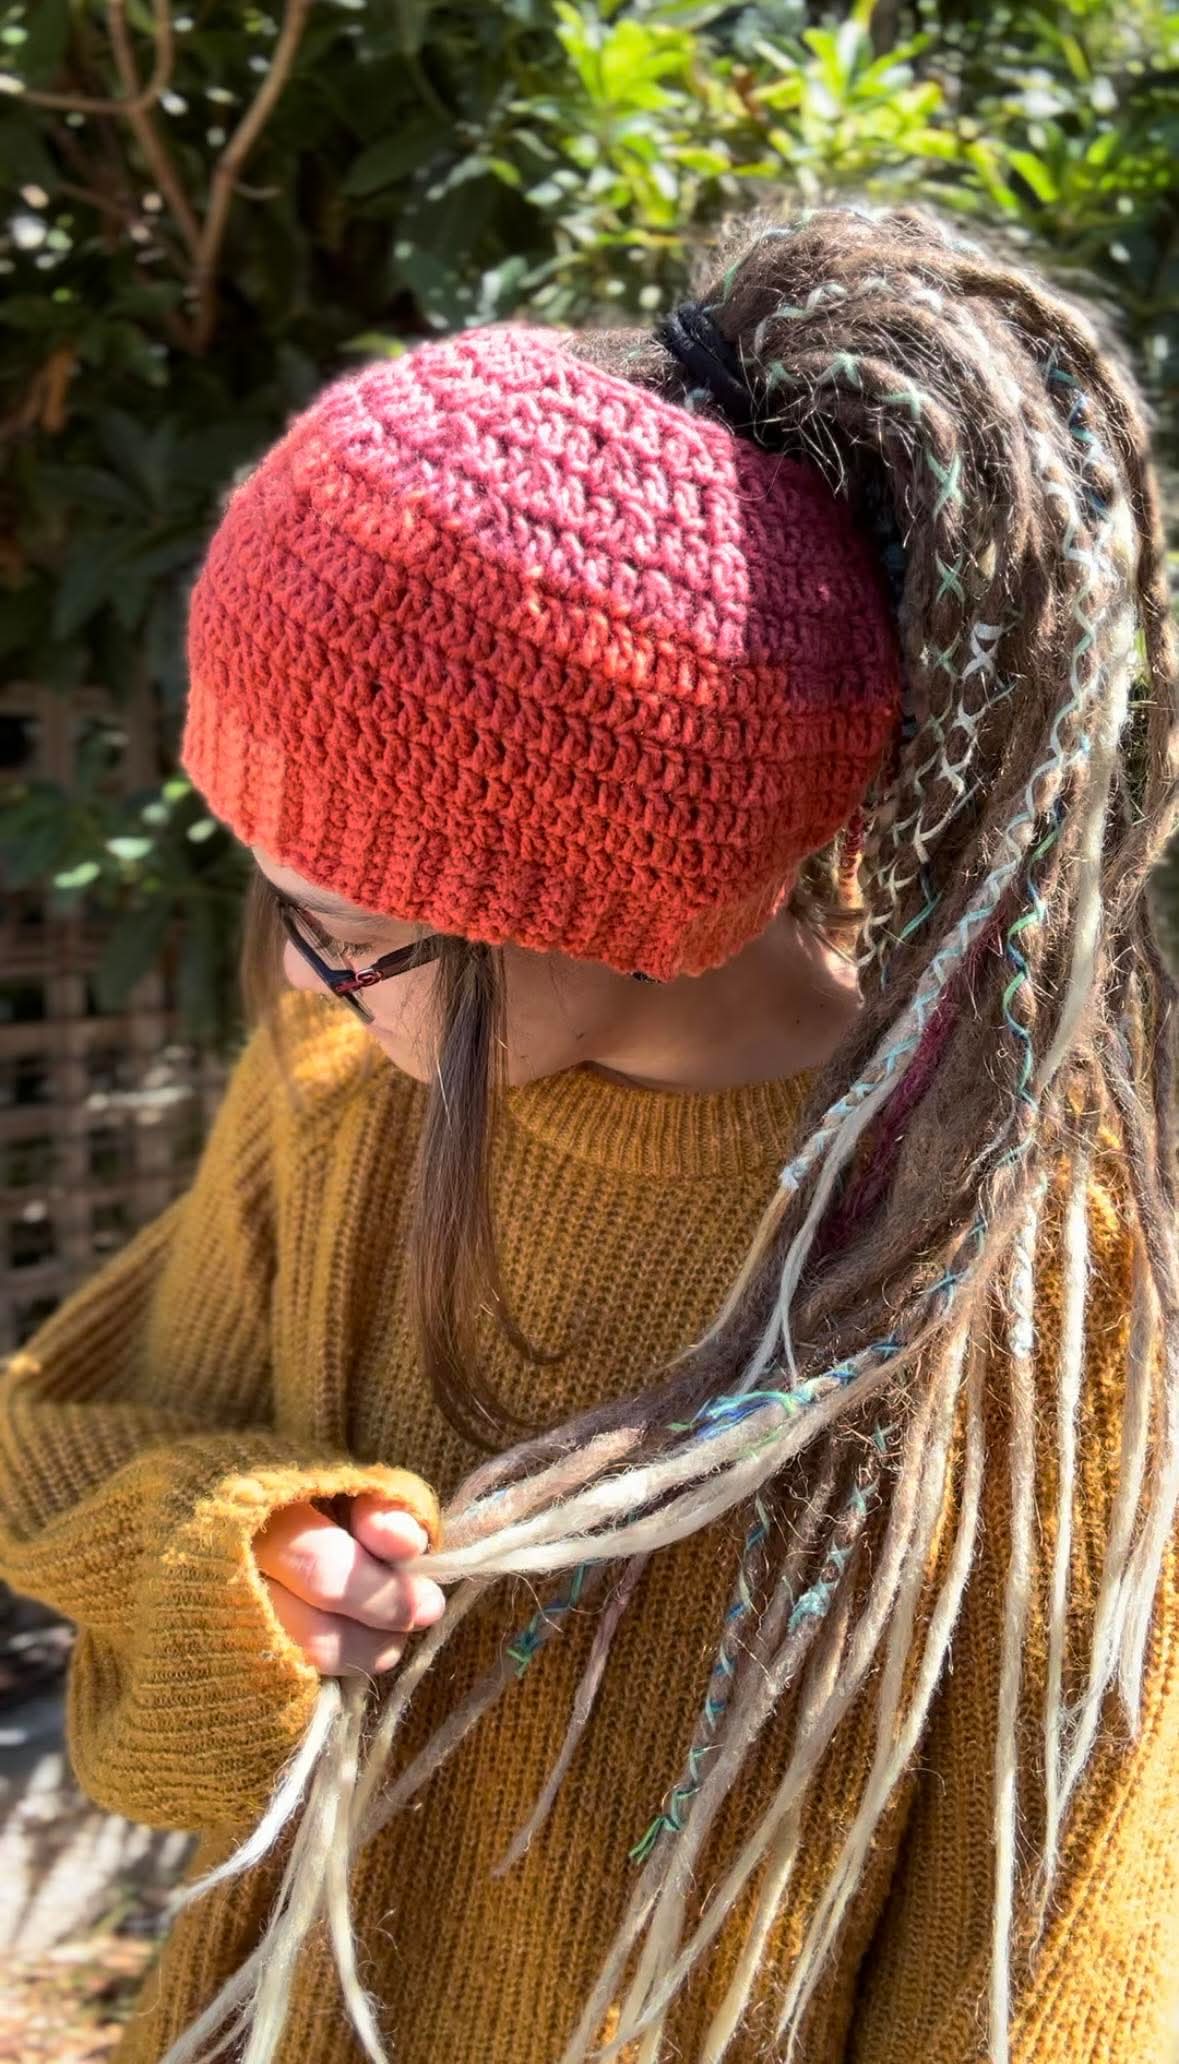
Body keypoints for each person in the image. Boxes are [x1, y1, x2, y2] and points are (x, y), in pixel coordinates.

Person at [2, 201, 1177, 2064]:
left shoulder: (999, 1257)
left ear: (623, 898)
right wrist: (237, 1552)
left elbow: (1052, 1914)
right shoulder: (341, 1092)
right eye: (271, 897)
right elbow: (57, 1444)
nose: (297, 978)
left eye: (346, 923)